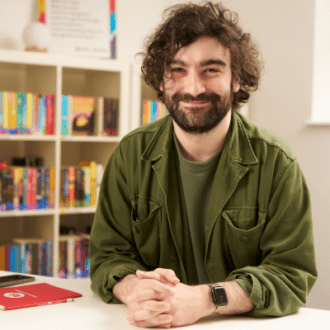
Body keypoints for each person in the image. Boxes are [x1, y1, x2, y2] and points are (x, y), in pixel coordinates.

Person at [90, 2, 317, 328]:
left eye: (211, 69)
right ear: (162, 79)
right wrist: (135, 290)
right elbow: (106, 256)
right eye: (178, 69)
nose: (193, 87)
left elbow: (292, 275)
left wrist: (207, 298)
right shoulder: (129, 155)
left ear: (236, 78)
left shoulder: (277, 163)